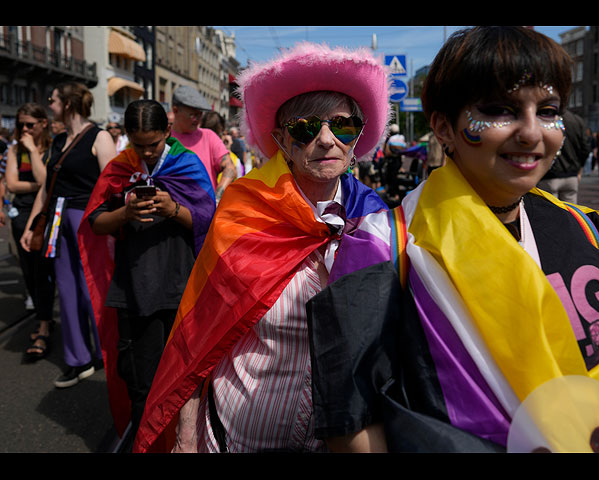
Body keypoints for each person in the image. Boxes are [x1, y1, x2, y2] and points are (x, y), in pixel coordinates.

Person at [305, 26, 599, 453]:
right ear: (443, 127)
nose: (533, 133)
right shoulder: (379, 246)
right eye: (501, 109)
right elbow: (351, 425)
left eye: (549, 110)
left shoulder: (594, 231)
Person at [133, 41, 391, 454]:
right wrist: (186, 436)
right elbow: (200, 334)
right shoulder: (243, 211)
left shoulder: (377, 221)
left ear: (357, 136)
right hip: (237, 434)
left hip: (331, 440)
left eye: (341, 126)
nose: (326, 141)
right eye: (306, 128)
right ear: (280, 140)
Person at [78, 99, 216, 451]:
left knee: (183, 377)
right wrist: (124, 213)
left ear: (168, 133)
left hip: (179, 285)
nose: (147, 153)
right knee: (140, 380)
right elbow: (95, 223)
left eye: (153, 144)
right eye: (138, 145)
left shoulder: (187, 164)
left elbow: (208, 220)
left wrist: (173, 209)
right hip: (134, 287)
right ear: (127, 137)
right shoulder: (119, 168)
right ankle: (145, 443)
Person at [20, 81, 116, 388]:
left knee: (93, 286)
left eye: (54, 99)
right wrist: (31, 224)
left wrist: (112, 225)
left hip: (87, 218)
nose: (50, 103)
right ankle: (78, 359)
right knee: (67, 287)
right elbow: (48, 188)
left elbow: (112, 186)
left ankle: (106, 351)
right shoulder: (59, 139)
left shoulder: (99, 136)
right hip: (58, 218)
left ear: (69, 104)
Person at [5, 103, 57, 360]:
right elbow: (12, 183)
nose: (24, 129)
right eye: (20, 124)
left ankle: (45, 324)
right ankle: (41, 316)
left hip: (45, 214)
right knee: (29, 271)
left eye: (29, 124)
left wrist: (34, 155)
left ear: (43, 123)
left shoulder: (52, 147)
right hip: (21, 214)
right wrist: (39, 183)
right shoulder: (15, 149)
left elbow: (46, 180)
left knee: (44, 270)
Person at [170, 85, 236, 203]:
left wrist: (216, 199)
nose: (198, 119)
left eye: (200, 114)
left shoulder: (208, 136)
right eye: (193, 115)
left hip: (204, 213)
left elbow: (230, 168)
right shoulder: (164, 138)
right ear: (175, 110)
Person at [537, 109, 591, 203]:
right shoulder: (576, 120)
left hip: (550, 175)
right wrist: (579, 170)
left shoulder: (545, 117)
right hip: (571, 175)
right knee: (570, 213)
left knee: (550, 213)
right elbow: (585, 148)